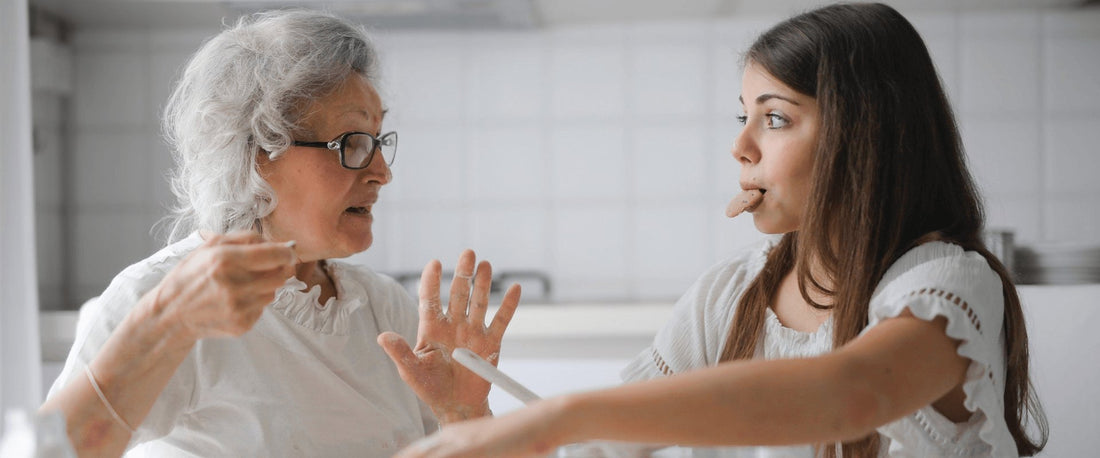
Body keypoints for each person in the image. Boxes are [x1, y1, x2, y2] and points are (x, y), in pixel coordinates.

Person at [394, 3, 1049, 457]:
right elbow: (599, 452)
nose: (740, 146)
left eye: (776, 118)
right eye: (743, 116)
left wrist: (564, 412)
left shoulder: (946, 284)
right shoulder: (727, 296)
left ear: (868, 134)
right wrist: (467, 414)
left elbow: (850, 395)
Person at [38, 10, 519, 458]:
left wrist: (463, 416)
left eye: (378, 142)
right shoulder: (161, 295)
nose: (381, 172)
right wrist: (165, 322)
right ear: (256, 154)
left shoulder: (384, 308)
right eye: (351, 143)